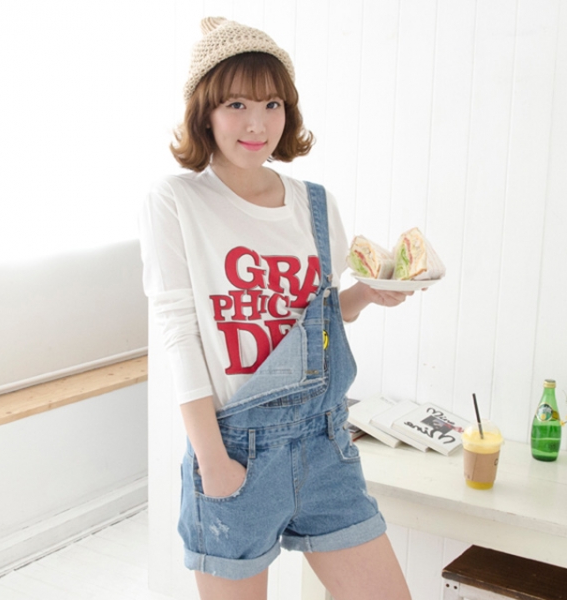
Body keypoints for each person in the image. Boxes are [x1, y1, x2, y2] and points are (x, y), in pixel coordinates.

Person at [139, 16, 413, 600]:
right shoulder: (177, 201)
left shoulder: (315, 204)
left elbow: (318, 320)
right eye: (236, 104)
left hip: (325, 443)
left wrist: (366, 294)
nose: (257, 124)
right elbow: (179, 335)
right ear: (205, 112)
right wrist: (213, 461)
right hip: (236, 451)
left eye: (272, 104)